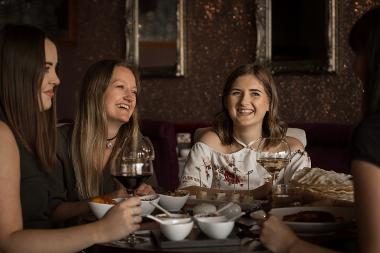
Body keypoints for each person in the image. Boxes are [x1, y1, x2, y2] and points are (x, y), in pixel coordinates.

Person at [0, 24, 142, 252]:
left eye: (134, 91)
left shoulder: (24, 135)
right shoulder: (7, 134)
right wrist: (101, 229)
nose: (57, 79)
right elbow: (8, 243)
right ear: (17, 70)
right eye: (46, 68)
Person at [259, 6, 380, 253]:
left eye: (359, 54)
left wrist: (289, 245)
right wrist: (332, 204)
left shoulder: (372, 135)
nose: (355, 67)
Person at [179, 64, 310, 200]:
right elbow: (187, 191)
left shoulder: (292, 150)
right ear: (226, 101)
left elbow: (304, 198)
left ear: (269, 104)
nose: (244, 101)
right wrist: (252, 194)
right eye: (236, 93)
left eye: (255, 93)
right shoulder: (209, 144)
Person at [54, 59, 155, 224]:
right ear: (95, 92)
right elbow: (50, 212)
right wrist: (105, 200)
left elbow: (151, 198)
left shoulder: (137, 144)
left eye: (134, 92)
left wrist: (149, 196)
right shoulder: (58, 142)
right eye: (120, 87)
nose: (130, 97)